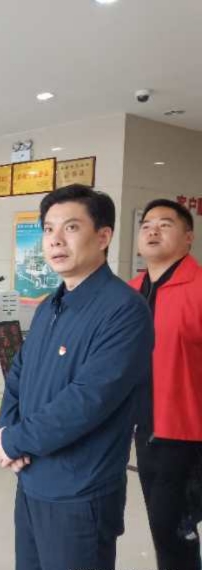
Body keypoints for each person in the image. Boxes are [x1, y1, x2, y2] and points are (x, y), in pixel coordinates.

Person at [0, 184, 153, 570]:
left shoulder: (125, 310)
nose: (55, 240)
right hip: (31, 478)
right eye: (48, 229)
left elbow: (88, 400)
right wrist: (6, 429)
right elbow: (19, 373)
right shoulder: (51, 304)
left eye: (71, 227)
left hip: (80, 492)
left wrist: (15, 440)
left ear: (103, 237)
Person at [130, 199, 202, 570]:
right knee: (164, 526)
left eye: (165, 224)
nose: (153, 231)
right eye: (146, 225)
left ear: (188, 238)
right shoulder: (129, 292)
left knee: (172, 527)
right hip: (145, 429)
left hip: (189, 433)